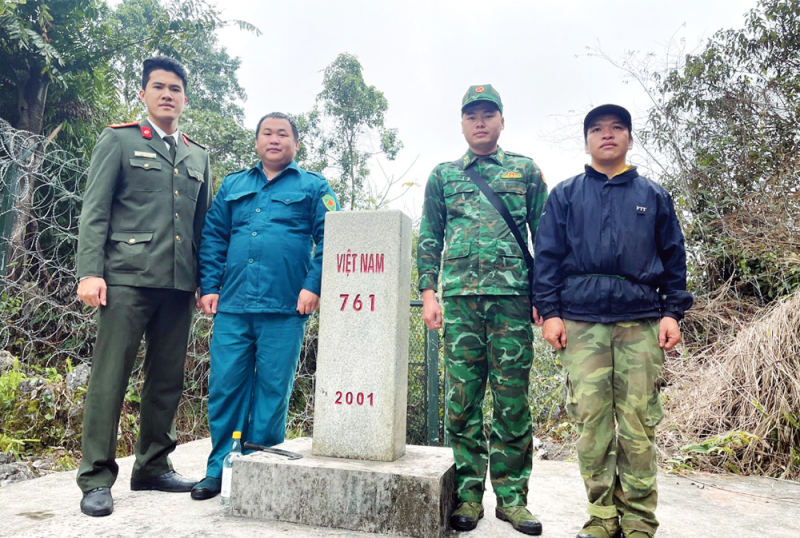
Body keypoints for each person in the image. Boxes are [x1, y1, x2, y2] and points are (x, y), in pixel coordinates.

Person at [533, 104, 693, 538]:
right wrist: (550, 313)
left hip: (639, 322)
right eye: (598, 129)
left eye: (617, 128)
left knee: (639, 422)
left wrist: (672, 313)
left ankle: (640, 520)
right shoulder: (565, 195)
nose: (607, 135)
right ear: (586, 140)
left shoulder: (653, 195)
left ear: (629, 138)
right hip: (581, 323)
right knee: (591, 424)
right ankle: (602, 517)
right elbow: (546, 259)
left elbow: (675, 260)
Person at [75, 56, 212, 516]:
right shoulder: (119, 140)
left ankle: (152, 465)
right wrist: (89, 272)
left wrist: (203, 281)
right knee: (110, 377)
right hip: (125, 279)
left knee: (167, 379)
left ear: (185, 98)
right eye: (159, 86)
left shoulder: (198, 155)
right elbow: (95, 209)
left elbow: (202, 225)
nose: (167, 94)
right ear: (144, 94)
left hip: (178, 284)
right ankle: (96, 477)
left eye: (175, 88)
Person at [417, 85, 548, 535]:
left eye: (487, 114)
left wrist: (544, 299)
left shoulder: (525, 171)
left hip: (512, 300)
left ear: (501, 120)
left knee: (512, 402)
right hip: (459, 303)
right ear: (462, 123)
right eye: (471, 115)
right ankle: (468, 495)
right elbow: (430, 237)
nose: (480, 122)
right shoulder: (444, 176)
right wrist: (428, 293)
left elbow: (546, 240)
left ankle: (512, 499)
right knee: (462, 401)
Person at [190, 112, 339, 500]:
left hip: (286, 307)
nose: (275, 139)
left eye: (283, 134)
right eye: (267, 133)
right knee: (226, 388)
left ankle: (260, 468)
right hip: (234, 306)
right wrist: (209, 285)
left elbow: (332, 238)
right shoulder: (234, 184)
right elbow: (214, 236)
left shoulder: (313, 185)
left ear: (296, 143)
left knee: (273, 390)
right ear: (257, 141)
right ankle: (218, 469)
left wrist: (314, 286)